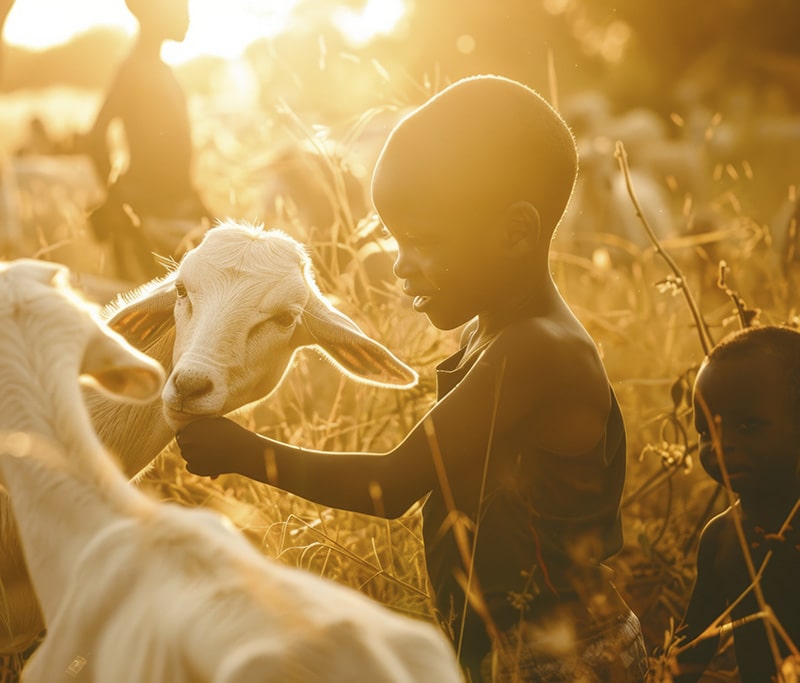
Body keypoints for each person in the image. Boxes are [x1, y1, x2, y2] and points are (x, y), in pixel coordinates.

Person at [176, 74, 648, 682]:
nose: (400, 264)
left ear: (514, 232)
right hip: (499, 649)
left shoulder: (540, 350)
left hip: (566, 658)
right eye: (394, 239)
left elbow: (391, 484)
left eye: (420, 241)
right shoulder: (489, 333)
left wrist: (243, 452)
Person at [673, 325, 800, 683]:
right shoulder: (722, 538)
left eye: (747, 426)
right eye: (704, 430)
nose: (720, 444)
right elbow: (692, 646)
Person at [82, 0, 211, 282]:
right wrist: (117, 202)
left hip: (177, 206)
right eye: (180, 8)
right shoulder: (133, 70)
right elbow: (96, 136)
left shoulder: (161, 70)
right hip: (145, 215)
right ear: (153, 14)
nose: (188, 18)